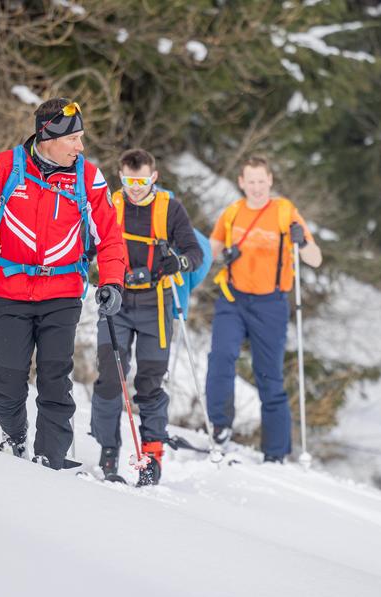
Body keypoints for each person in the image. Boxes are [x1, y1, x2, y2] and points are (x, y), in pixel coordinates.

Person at [0, 98, 125, 470]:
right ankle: (14, 436)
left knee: (54, 379)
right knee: (5, 381)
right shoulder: (3, 167)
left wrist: (112, 280)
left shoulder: (88, 178)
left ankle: (49, 458)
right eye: (74, 139)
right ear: (48, 135)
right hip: (10, 290)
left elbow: (111, 237)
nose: (81, 147)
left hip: (62, 295)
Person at [89, 148, 202, 486]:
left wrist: (178, 262)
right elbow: (88, 242)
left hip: (156, 304)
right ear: (120, 177)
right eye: (128, 180)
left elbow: (194, 252)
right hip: (118, 302)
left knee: (150, 381)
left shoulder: (170, 208)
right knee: (111, 374)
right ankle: (108, 450)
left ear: (153, 177)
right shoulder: (112, 203)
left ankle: (152, 454)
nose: (134, 187)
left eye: (140, 181)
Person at [205, 156, 322, 463]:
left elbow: (315, 258)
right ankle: (219, 427)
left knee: (268, 375)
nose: (256, 188)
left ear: (270, 180)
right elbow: (208, 252)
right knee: (221, 357)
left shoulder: (285, 212)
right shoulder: (232, 213)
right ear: (241, 182)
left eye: (261, 181)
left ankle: (276, 451)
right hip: (233, 298)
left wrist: (302, 241)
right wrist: (217, 258)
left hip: (270, 304)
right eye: (250, 181)